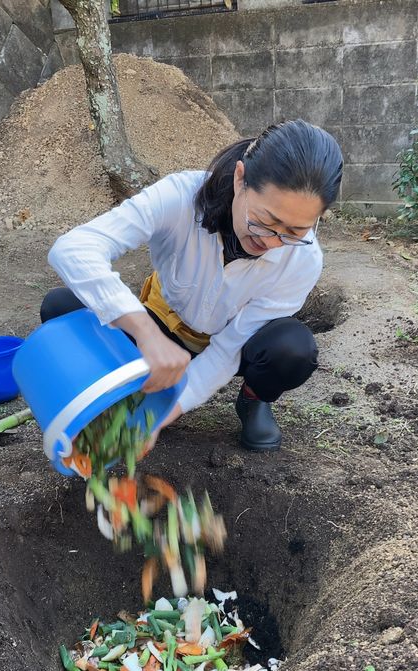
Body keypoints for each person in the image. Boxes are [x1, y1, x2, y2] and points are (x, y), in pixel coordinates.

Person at [43, 119, 343, 452]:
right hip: (161, 329)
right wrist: (145, 331)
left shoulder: (303, 261)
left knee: (292, 348)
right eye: (264, 221)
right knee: (63, 308)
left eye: (294, 232)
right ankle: (113, 398)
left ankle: (254, 400)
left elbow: (226, 351)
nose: (273, 242)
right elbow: (72, 249)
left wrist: (159, 417)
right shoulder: (181, 196)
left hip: (233, 344)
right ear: (241, 178)